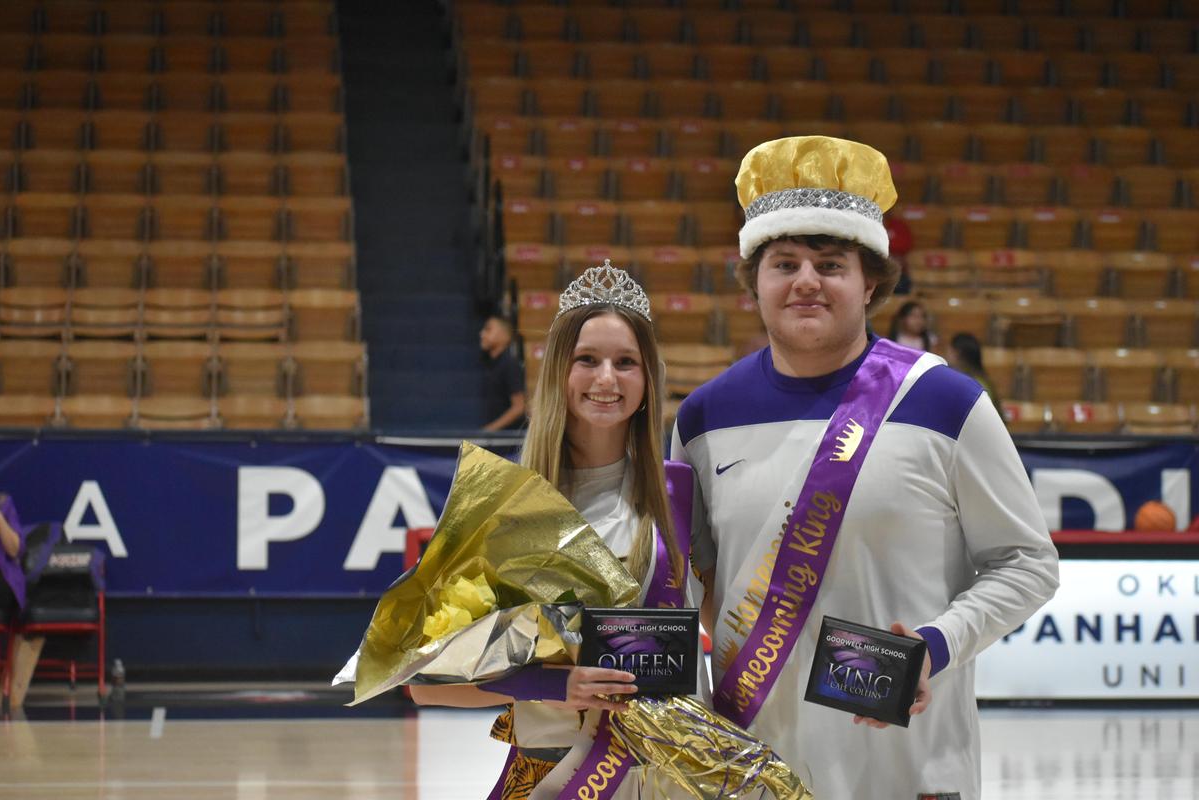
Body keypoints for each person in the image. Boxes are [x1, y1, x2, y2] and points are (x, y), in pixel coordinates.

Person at [670, 136, 1059, 800]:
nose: (805, 281)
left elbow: (1028, 562)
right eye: (783, 262)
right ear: (753, 280)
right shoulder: (704, 418)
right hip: (757, 767)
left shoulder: (946, 401)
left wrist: (936, 646)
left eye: (830, 263)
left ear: (871, 280)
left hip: (909, 766)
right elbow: (687, 582)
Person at [413, 262, 700, 800]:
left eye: (626, 363)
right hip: (552, 775)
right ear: (558, 373)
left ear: (648, 379)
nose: (607, 380)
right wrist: (555, 685)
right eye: (586, 360)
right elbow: (424, 681)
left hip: (664, 775)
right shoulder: (505, 504)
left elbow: (731, 612)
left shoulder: (680, 491)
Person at [480, 314, 527, 431]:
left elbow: (519, 407)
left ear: (505, 335)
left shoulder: (510, 364)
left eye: (488, 329)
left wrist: (489, 430)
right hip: (497, 438)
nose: (482, 334)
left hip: (508, 440)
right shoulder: (492, 364)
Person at [947, 331, 1002, 412]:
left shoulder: (976, 386)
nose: (946, 354)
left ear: (956, 353)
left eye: (949, 350)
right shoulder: (972, 381)